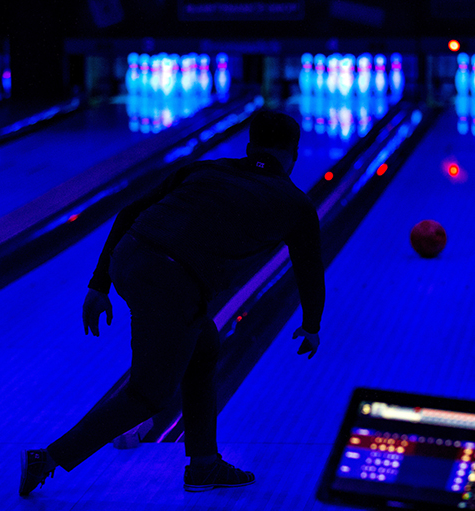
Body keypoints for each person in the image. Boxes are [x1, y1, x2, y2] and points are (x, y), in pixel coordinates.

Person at [20, 110, 325, 496]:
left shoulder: (202, 168)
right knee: (149, 395)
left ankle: (204, 465)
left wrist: (99, 285)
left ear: (249, 148)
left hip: (129, 257)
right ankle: (47, 458)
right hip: (171, 282)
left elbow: (129, 213)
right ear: (293, 156)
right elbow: (309, 270)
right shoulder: (295, 204)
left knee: (203, 348)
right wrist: (312, 325)